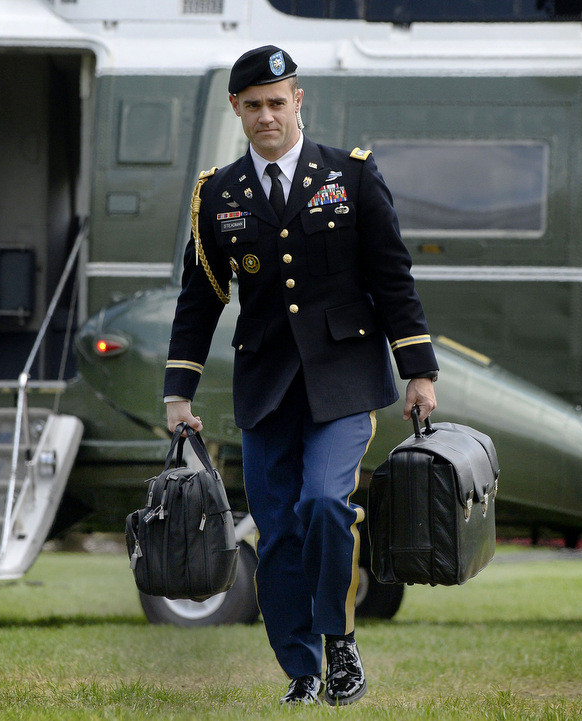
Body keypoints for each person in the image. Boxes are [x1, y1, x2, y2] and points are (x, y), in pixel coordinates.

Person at [163, 45, 439, 705]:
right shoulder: (218, 192)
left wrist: (419, 372)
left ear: (298, 101)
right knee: (278, 526)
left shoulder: (351, 175)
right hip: (265, 386)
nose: (266, 116)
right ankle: (301, 670)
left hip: (344, 378)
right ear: (236, 108)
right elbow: (199, 298)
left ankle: (339, 641)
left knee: (323, 504)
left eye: (276, 102)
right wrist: (179, 391)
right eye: (253, 105)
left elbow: (392, 279)